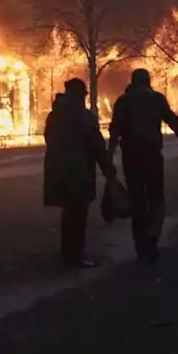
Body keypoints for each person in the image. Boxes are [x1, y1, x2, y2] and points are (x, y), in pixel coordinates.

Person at [108, 68, 178, 264]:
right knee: (157, 199)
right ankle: (152, 236)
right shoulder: (157, 99)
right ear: (148, 81)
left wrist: (109, 156)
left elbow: (114, 131)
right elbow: (173, 122)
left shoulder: (123, 101)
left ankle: (141, 248)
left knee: (137, 201)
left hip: (131, 158)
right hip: (152, 157)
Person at [43, 78, 117, 268]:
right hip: (78, 172)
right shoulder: (84, 117)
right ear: (80, 95)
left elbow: (48, 139)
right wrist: (109, 171)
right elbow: (97, 146)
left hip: (57, 171)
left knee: (68, 213)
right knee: (78, 214)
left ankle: (67, 252)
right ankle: (75, 255)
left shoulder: (53, 116)